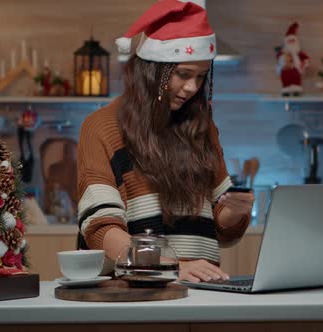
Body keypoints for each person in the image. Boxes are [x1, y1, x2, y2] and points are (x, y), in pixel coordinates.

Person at [76, 0, 254, 283]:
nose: (192, 88)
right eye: (183, 74)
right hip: (134, 294)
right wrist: (169, 265)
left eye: (201, 76)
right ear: (152, 70)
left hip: (203, 290)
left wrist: (236, 210)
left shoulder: (203, 128)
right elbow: (99, 227)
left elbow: (223, 230)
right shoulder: (101, 126)